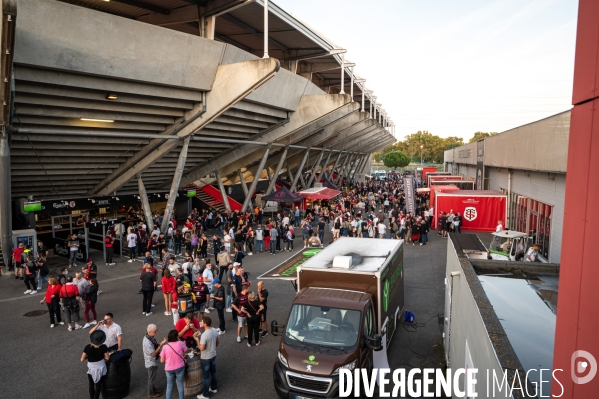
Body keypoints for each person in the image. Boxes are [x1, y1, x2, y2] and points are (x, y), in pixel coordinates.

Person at [81, 330, 110, 399]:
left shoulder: (88, 347)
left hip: (91, 368)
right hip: (100, 367)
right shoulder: (103, 347)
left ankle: (91, 397)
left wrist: (89, 356)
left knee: (91, 384)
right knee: (98, 384)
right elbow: (107, 358)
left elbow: (82, 359)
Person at [161, 329, 189, 399]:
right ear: (177, 337)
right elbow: (186, 350)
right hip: (180, 367)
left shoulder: (165, 347)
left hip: (169, 369)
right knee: (180, 385)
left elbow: (162, 360)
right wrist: (181, 342)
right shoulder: (180, 343)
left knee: (169, 386)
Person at [197, 316, 219, 399]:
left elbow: (201, 348)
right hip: (213, 354)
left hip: (205, 357)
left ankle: (205, 394)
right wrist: (213, 347)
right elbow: (218, 340)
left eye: (202, 322)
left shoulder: (204, 335)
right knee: (214, 372)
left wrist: (197, 340)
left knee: (206, 376)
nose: (201, 323)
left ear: (205, 324)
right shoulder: (215, 330)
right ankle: (214, 388)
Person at [143, 324, 166, 398]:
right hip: (150, 362)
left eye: (156, 330)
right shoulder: (147, 342)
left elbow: (155, 345)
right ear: (149, 332)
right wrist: (161, 345)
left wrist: (159, 344)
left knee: (152, 377)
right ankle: (151, 393)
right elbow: (154, 353)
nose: (156, 332)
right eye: (154, 331)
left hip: (153, 361)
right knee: (151, 378)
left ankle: (153, 389)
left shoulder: (150, 337)